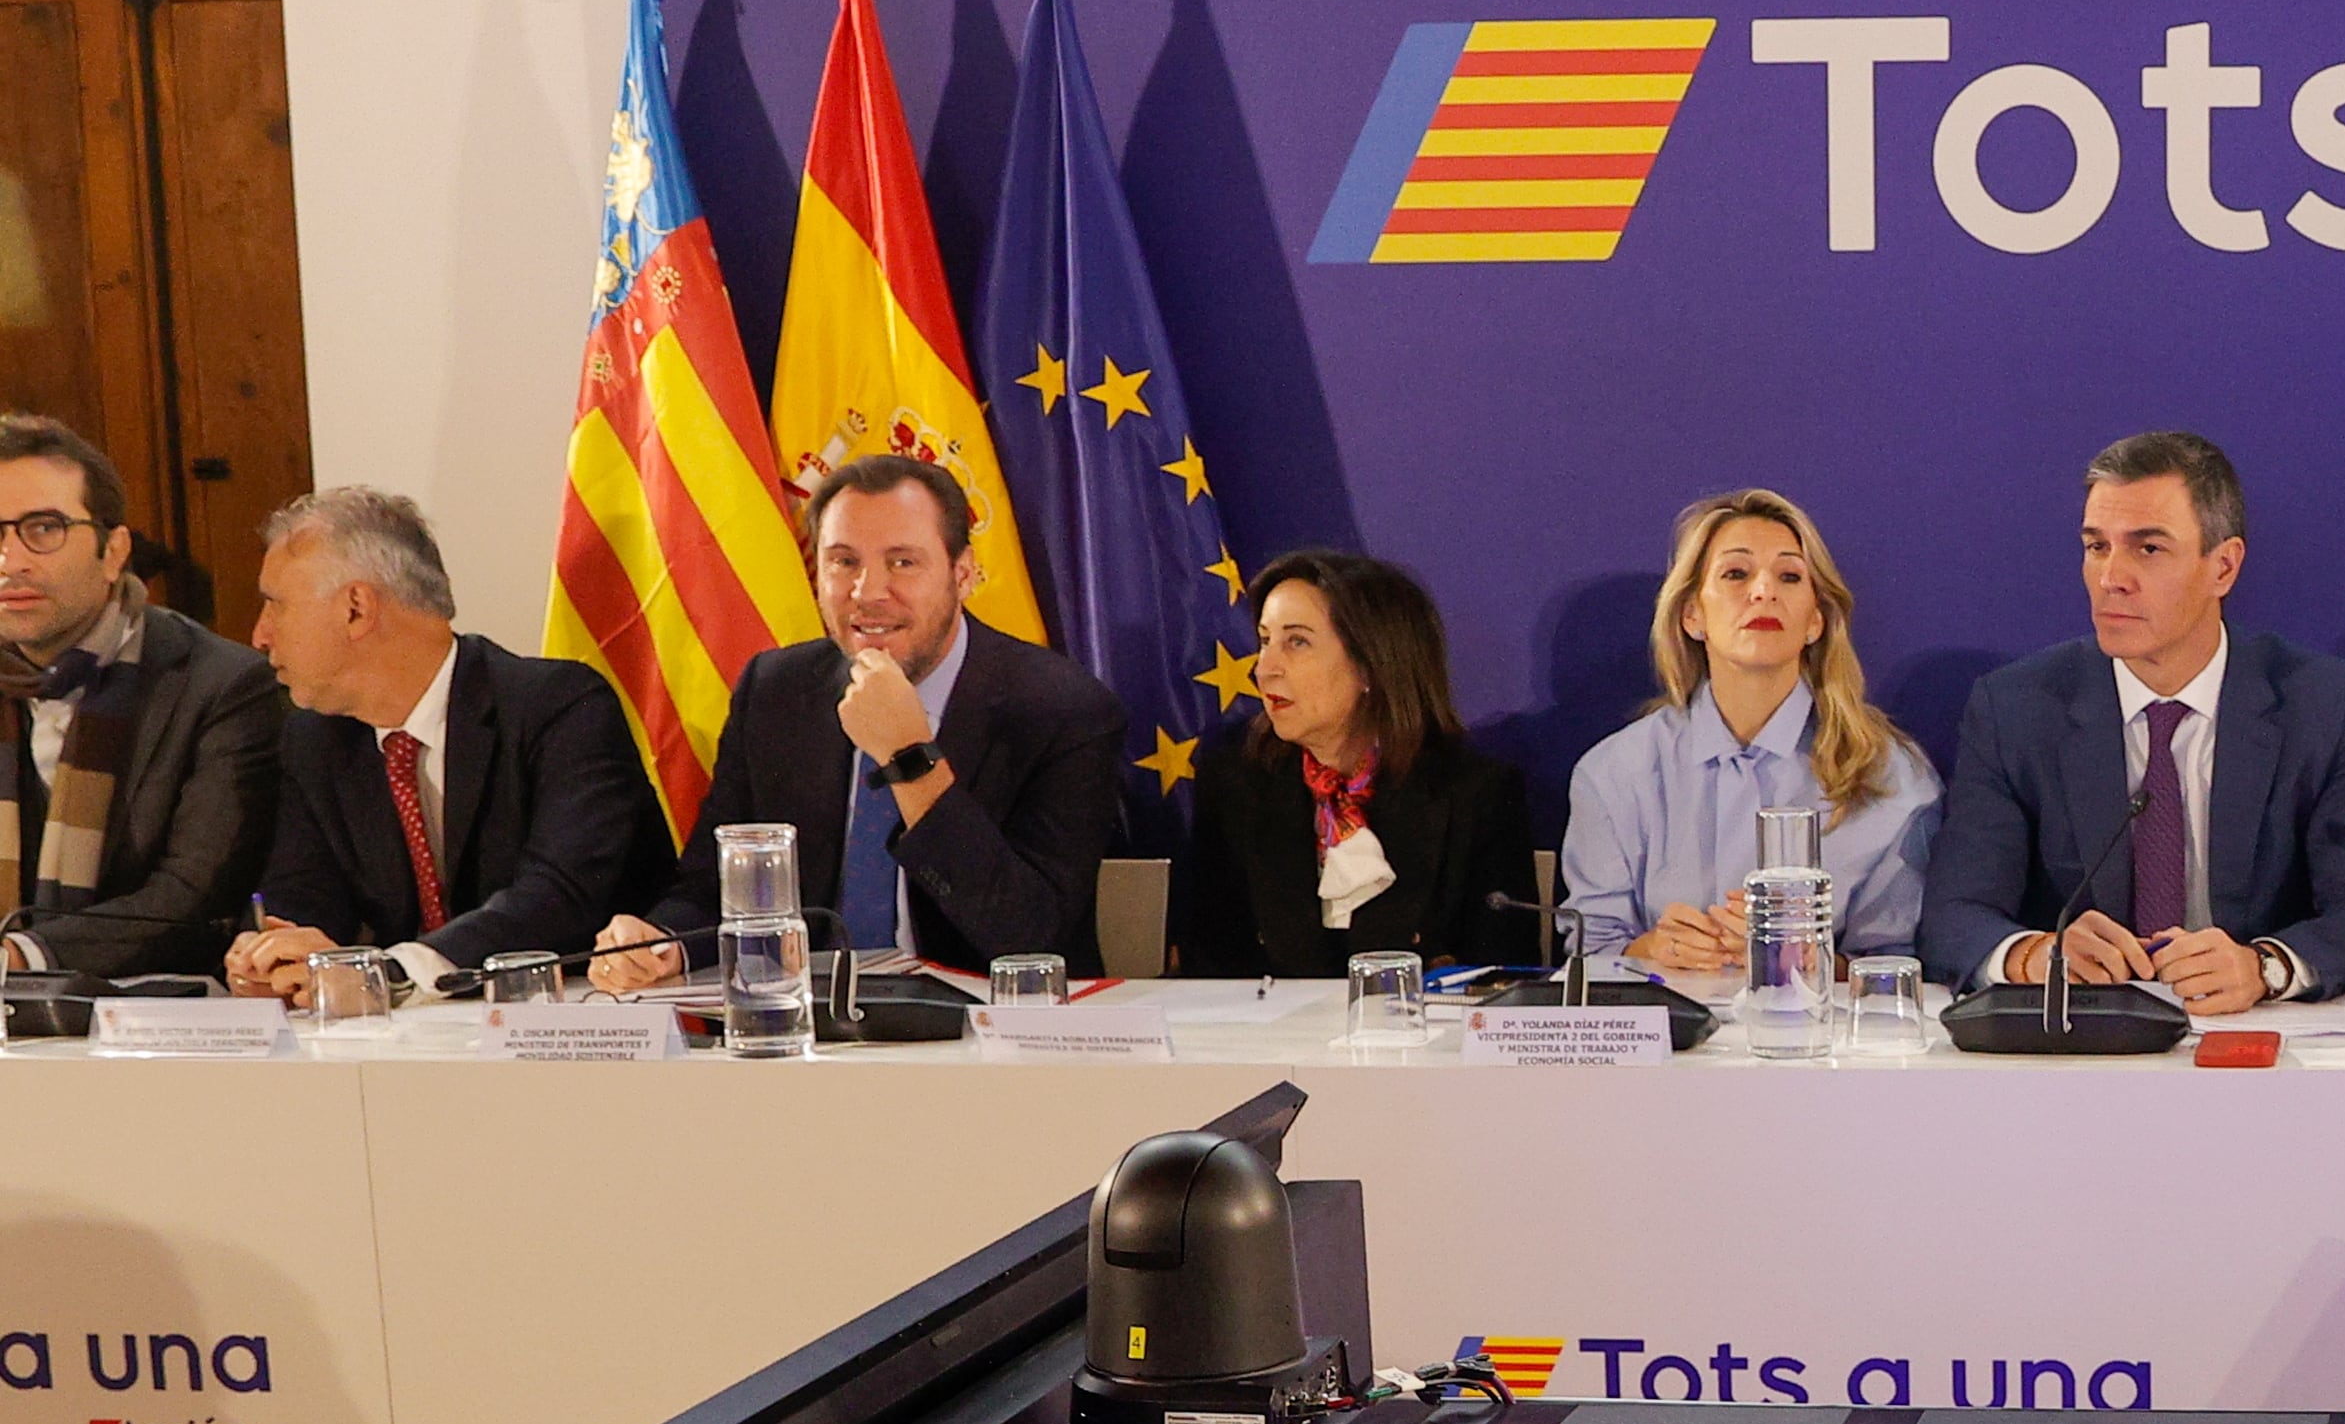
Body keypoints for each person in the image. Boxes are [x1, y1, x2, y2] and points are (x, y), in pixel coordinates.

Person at [590, 453, 1131, 985]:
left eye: (903, 562)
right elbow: (716, 887)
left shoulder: (1065, 710)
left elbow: (1029, 937)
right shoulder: (777, 690)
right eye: (843, 561)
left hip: (991, 1038)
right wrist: (661, 944)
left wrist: (909, 757)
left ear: (963, 575)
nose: (867, 593)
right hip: (811, 1030)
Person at [1919, 431, 2345, 1012]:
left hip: (2257, 1044)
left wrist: (2263, 966)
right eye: (2097, 547)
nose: (2111, 578)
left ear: (2223, 567)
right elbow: (1953, 917)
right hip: (2083, 1048)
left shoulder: (2324, 705)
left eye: (2147, 549)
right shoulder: (2017, 708)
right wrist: (2037, 955)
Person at [228, 487, 669, 1001]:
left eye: (274, 605)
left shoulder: (557, 707)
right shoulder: (317, 738)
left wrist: (393, 972)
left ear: (356, 609)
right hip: (420, 1042)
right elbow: (305, 895)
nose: (259, 636)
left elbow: (559, 896)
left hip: (586, 1030)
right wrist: (274, 957)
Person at [1560, 489, 1940, 973]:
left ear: (1815, 622)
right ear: (1691, 615)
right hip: (1667, 1039)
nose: (1763, 592)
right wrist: (1655, 950)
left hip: (1820, 1041)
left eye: (1789, 576)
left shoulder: (1892, 775)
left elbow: (1902, 968)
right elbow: (1588, 955)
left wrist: (1808, 962)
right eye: (1736, 574)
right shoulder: (1614, 772)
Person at [1172, 550, 1541, 978]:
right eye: (1264, 640)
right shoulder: (1234, 783)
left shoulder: (1475, 793)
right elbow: (1209, 967)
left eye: (1297, 642)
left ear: (1372, 664)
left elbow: (1503, 979)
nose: (1265, 668)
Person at [0, 415, 277, 977]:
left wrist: (19, 957)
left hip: (157, 1022)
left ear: (114, 550)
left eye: (44, 528)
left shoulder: (223, 684)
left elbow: (193, 897)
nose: (12, 562)